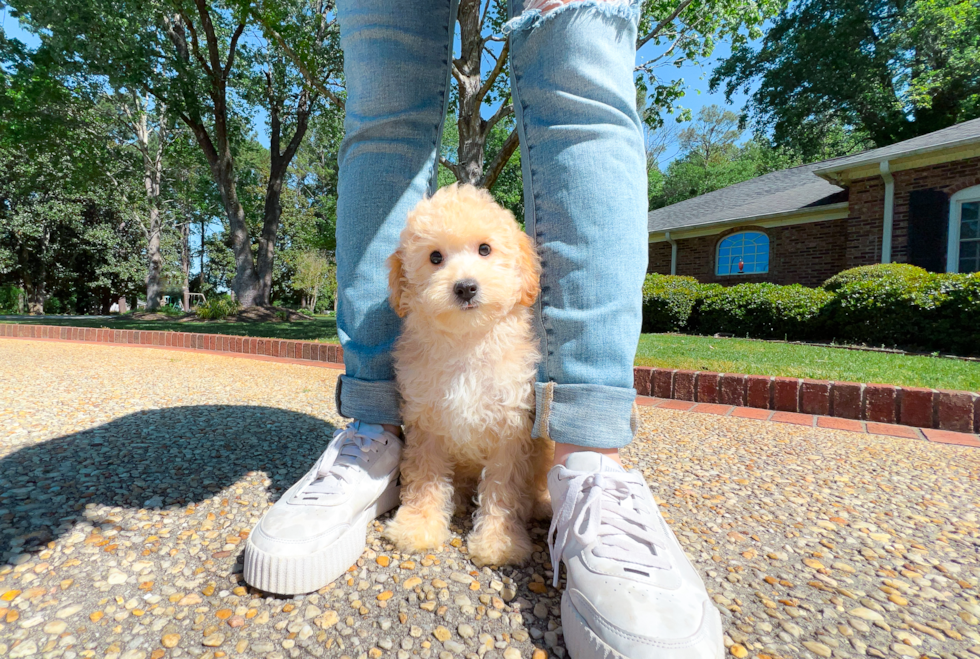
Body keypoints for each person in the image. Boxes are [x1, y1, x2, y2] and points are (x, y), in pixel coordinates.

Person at [245, 0, 723, 656]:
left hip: (511, 442)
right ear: (407, 282)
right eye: (436, 259)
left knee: (582, 59)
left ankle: (587, 461)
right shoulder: (417, 342)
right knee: (381, 101)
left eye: (483, 253)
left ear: (522, 265)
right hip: (430, 416)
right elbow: (434, 436)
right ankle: (378, 439)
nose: (463, 277)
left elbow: (508, 441)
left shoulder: (517, 336)